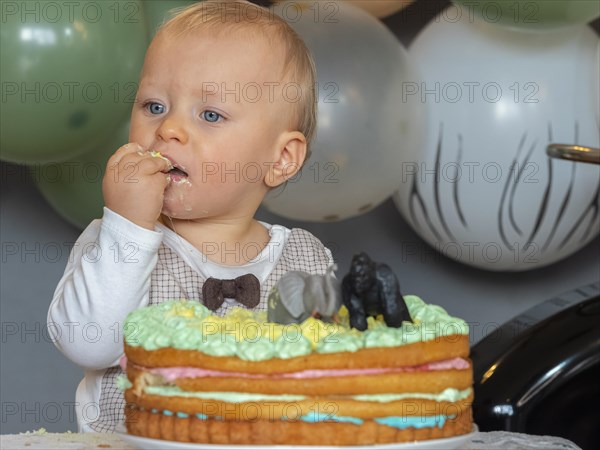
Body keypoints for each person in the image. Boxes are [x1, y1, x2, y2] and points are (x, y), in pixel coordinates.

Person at [47, 0, 333, 433]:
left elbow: (329, 380)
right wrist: (129, 227)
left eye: (211, 114)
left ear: (281, 159)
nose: (168, 130)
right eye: (154, 106)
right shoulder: (113, 240)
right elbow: (88, 345)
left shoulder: (305, 261)